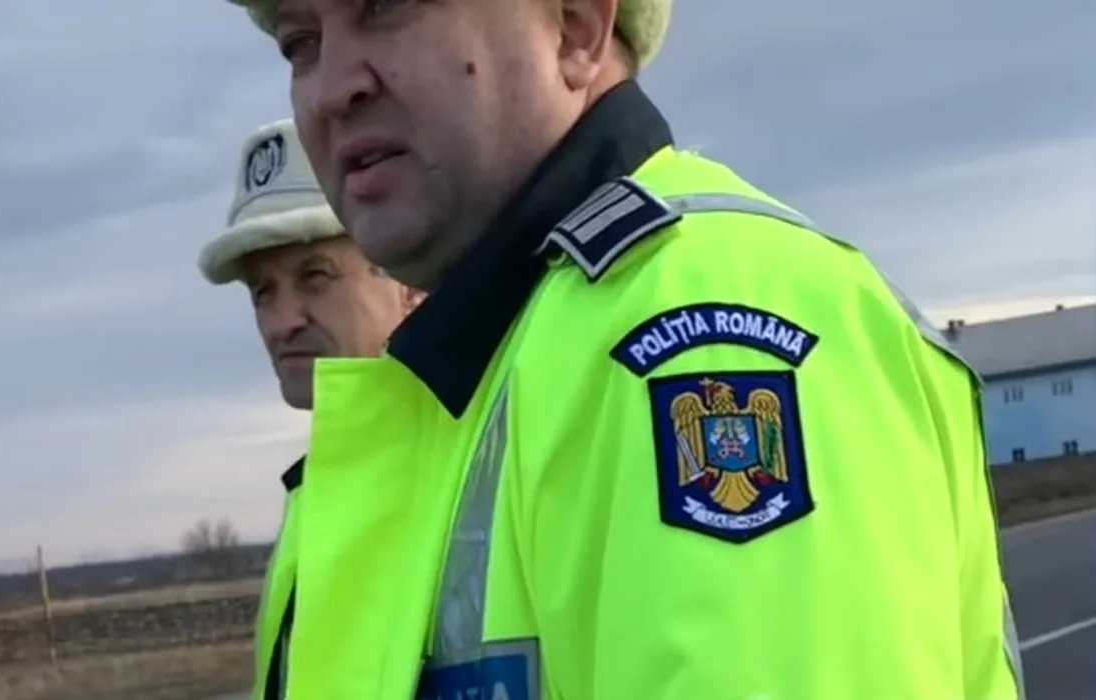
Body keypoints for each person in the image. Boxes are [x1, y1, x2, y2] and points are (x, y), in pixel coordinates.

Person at [225, 1, 1026, 698]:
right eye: (301, 42)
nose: (330, 90)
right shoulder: (476, 376)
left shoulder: (701, 324)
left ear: (574, 28)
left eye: (388, 6)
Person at [196, 118, 421, 700]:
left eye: (315, 276)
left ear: (410, 281)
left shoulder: (478, 465)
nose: (282, 321)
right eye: (262, 291)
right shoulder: (321, 492)